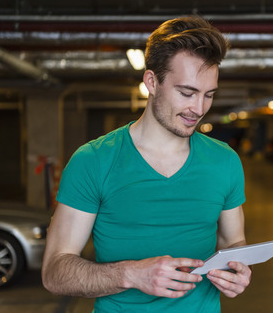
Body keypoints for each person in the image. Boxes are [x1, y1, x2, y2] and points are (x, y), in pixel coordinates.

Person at [42, 16, 251, 312]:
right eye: (187, 92)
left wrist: (236, 270)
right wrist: (130, 274)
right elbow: (54, 272)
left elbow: (234, 242)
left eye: (209, 95)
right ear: (152, 82)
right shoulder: (93, 161)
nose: (199, 108)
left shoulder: (225, 161)